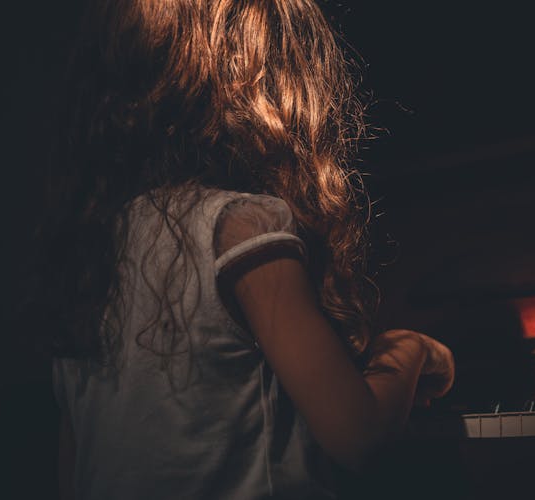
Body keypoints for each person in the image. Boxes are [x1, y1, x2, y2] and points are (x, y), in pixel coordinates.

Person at [30, 1, 455, 499]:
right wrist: (410, 349)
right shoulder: (240, 228)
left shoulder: (90, 257)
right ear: (267, 83)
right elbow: (358, 437)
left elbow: (72, 473)